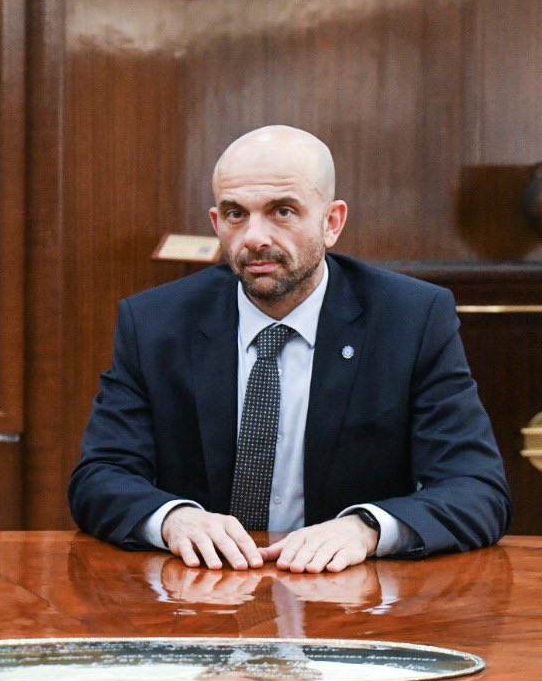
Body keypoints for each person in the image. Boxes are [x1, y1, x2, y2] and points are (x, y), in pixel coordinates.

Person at [69, 126, 511, 573]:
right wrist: (173, 520)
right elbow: (99, 476)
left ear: (332, 222)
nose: (255, 237)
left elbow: (476, 490)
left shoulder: (411, 319)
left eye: (282, 211)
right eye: (235, 214)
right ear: (216, 223)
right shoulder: (155, 322)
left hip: (349, 604)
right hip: (201, 594)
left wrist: (367, 529)